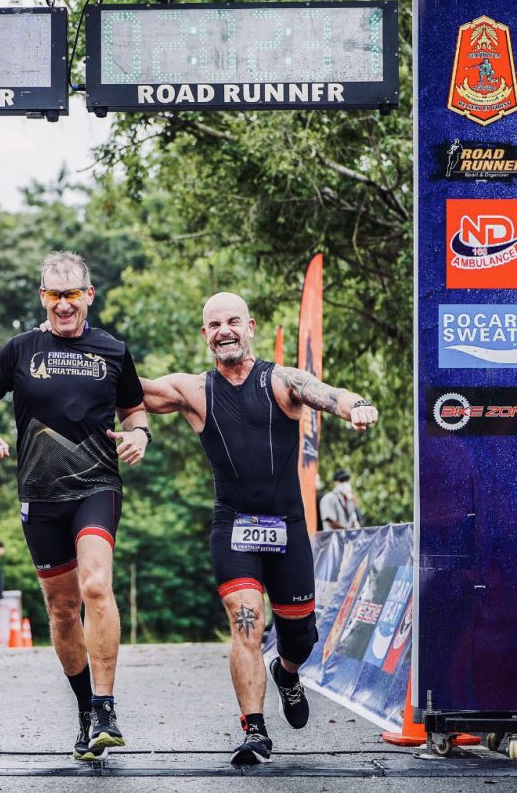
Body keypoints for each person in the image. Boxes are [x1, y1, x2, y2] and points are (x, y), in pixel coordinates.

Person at [140, 292, 378, 767]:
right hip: (233, 527)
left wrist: (358, 405)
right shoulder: (195, 390)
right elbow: (131, 387)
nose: (224, 331)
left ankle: (286, 674)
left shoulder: (281, 380)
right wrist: (79, 349)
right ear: (204, 335)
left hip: (287, 527)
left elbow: (328, 393)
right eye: (214, 325)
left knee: (300, 638)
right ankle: (254, 730)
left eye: (233, 321)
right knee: (245, 622)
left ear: (250, 327)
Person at [0, 250, 151, 760]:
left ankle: (106, 706)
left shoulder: (113, 350)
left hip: (96, 486)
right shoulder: (20, 349)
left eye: (71, 294)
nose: (63, 304)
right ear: (41, 296)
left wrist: (141, 435)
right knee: (62, 609)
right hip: (40, 495)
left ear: (89, 295)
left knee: (96, 584)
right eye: (53, 294)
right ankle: (86, 710)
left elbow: (135, 411)